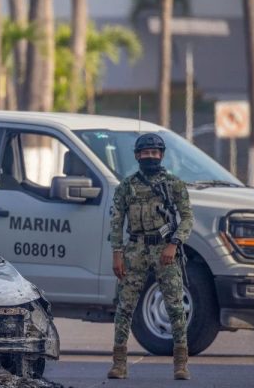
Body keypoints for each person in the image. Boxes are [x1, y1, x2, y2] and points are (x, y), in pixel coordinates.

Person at [107, 133, 194, 380]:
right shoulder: (127, 185)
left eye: (155, 153)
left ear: (161, 155)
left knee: (175, 306)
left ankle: (180, 364)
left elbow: (187, 217)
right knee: (124, 306)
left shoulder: (174, 184)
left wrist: (174, 244)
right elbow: (116, 221)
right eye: (145, 153)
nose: (150, 157)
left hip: (165, 249)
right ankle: (119, 363)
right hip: (134, 249)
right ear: (137, 156)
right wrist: (117, 253)